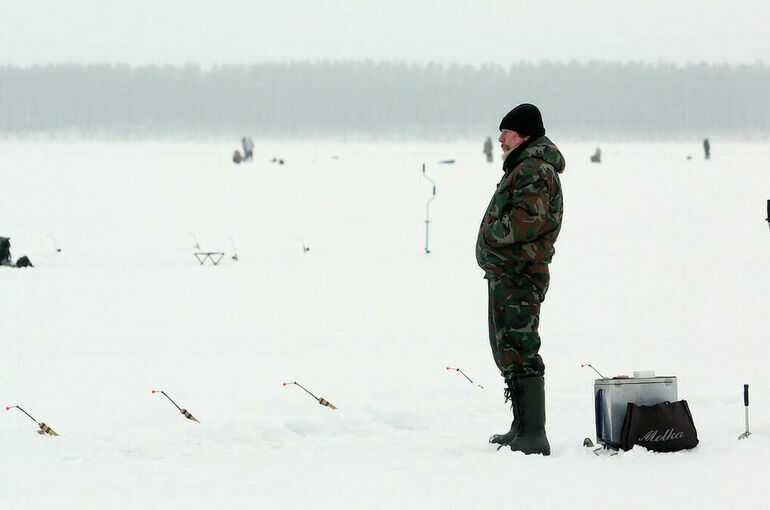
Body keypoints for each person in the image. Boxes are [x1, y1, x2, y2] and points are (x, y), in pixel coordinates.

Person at [476, 103, 565, 456]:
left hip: (520, 273)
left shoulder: (532, 169)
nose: (500, 138)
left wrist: (492, 237)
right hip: (507, 273)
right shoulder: (522, 166)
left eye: (507, 132)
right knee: (508, 350)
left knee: (521, 349)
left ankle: (533, 435)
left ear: (525, 135)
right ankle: (521, 427)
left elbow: (527, 222)